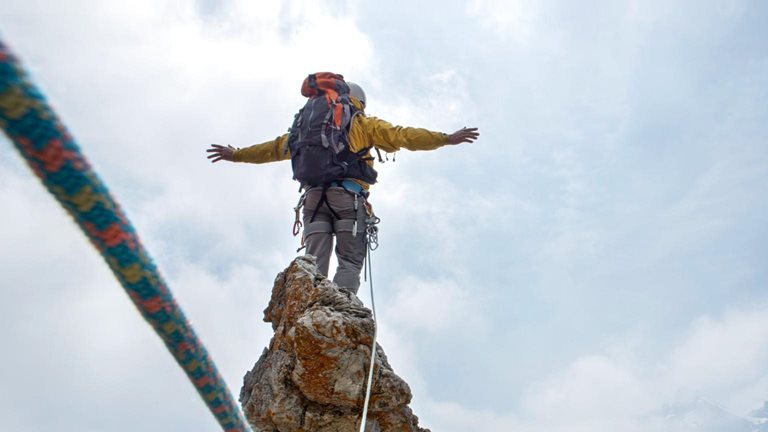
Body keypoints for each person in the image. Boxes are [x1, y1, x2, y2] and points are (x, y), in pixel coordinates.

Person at [207, 78, 479, 294]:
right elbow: (403, 136)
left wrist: (237, 154)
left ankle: (308, 305)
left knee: (313, 263)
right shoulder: (361, 122)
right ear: (359, 101)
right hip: (348, 199)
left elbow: (273, 149)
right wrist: (446, 138)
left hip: (313, 201)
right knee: (349, 262)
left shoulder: (306, 128)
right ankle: (341, 308)